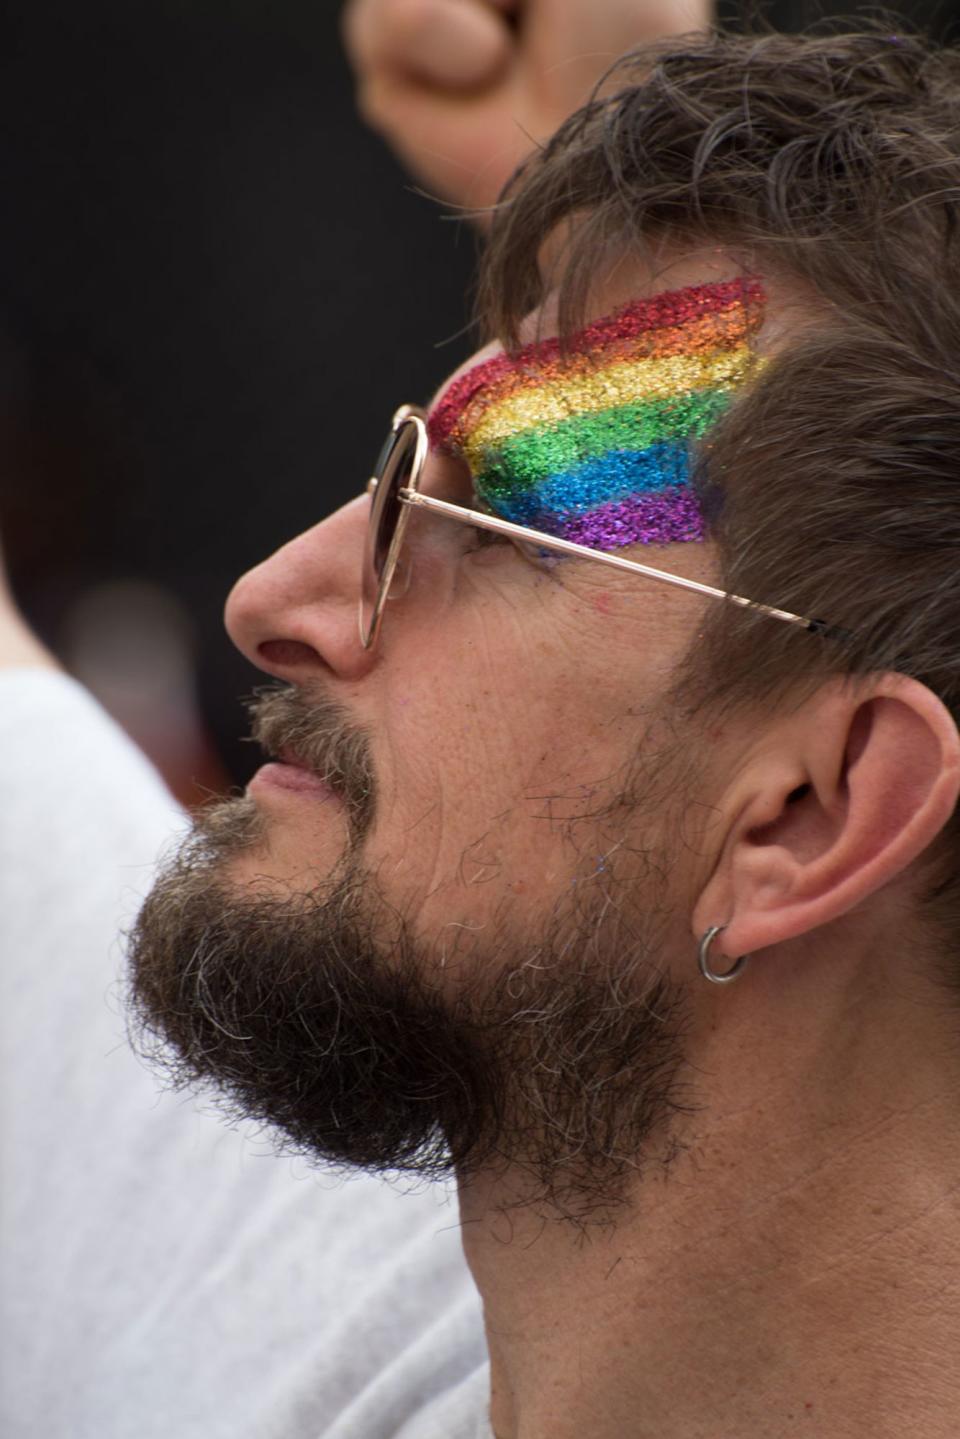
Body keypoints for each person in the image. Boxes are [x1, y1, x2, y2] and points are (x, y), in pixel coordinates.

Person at [6, 20, 960, 1439]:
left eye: (502, 522)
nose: (277, 602)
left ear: (809, 811)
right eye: (400, 479)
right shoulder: (271, 1319)